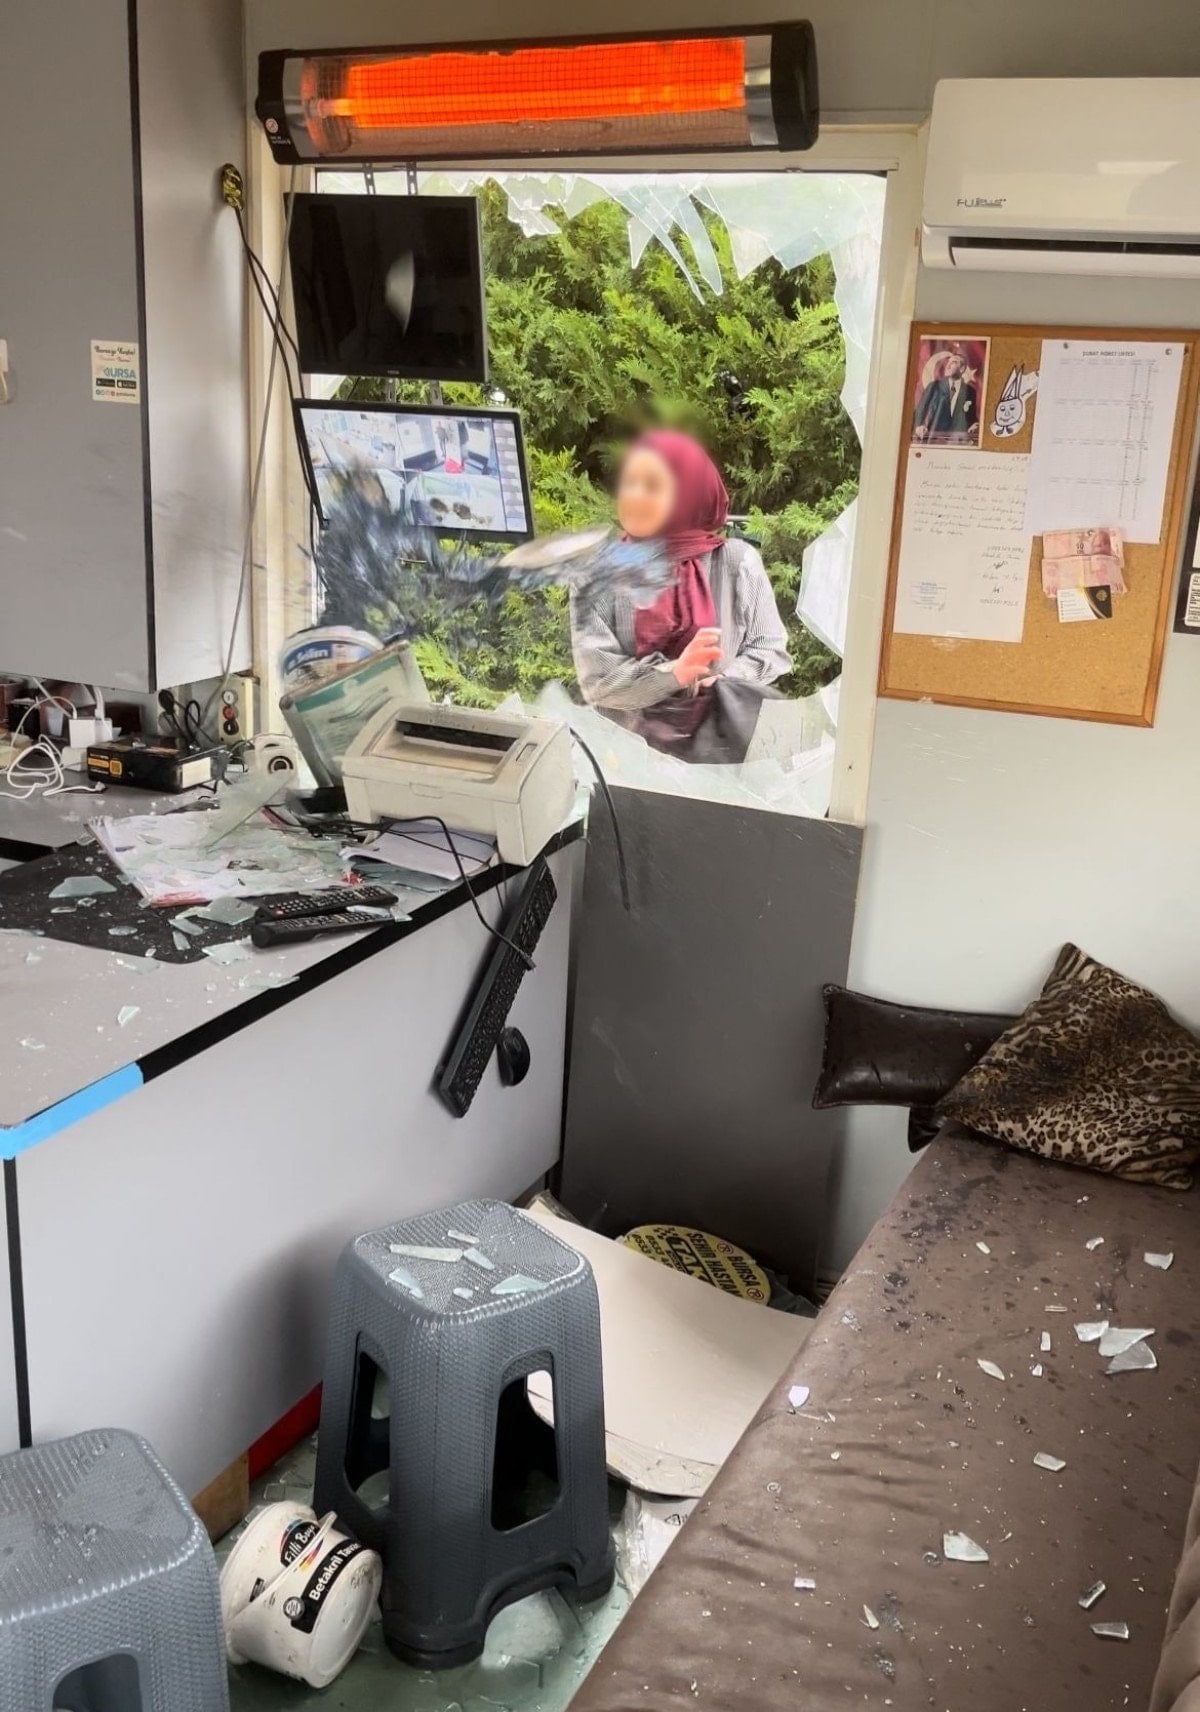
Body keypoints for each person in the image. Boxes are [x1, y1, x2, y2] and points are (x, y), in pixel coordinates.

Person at [569, 430, 791, 755]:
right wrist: (674, 673)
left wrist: (723, 679)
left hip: (717, 752)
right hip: (626, 756)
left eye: (652, 485)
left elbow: (770, 649)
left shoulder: (736, 562)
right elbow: (599, 681)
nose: (634, 496)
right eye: (629, 483)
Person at [912, 350, 979, 443]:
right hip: (934, 439)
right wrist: (919, 426)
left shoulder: (970, 391)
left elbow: (971, 416)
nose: (947, 366)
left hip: (958, 442)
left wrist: (975, 425)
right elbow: (921, 408)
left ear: (962, 368)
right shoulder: (934, 386)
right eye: (948, 362)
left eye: (953, 362)